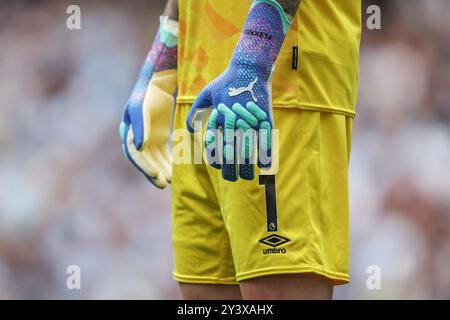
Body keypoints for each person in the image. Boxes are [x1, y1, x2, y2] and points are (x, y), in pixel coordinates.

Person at [120, 0, 361, 300]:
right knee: (202, 294)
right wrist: (162, 61)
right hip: (199, 88)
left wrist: (253, 60)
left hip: (277, 88)